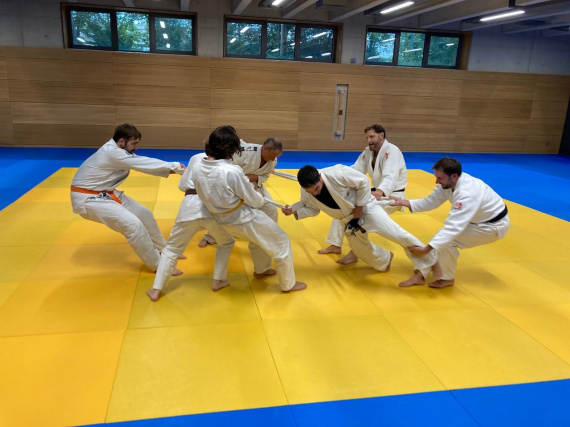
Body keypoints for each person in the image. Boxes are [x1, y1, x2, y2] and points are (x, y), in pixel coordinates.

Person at [282, 165, 440, 287]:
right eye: (311, 192)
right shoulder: (307, 192)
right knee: (359, 249)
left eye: (316, 188)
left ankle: (427, 266)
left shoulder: (337, 173)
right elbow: (312, 209)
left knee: (397, 234)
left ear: (319, 176)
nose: (315, 193)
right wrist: (294, 211)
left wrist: (359, 208)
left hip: (367, 208)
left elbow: (363, 181)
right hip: (348, 219)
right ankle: (385, 260)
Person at [192, 126, 306, 292]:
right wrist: (257, 193)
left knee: (261, 233)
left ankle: (261, 269)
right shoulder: (233, 170)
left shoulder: (197, 166)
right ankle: (289, 284)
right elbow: (255, 201)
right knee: (281, 241)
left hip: (222, 215)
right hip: (242, 215)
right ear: (232, 150)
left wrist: (254, 183)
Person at [70, 123, 186, 274]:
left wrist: (176, 170)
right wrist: (177, 167)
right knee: (133, 225)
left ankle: (164, 250)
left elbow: (142, 163)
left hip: (105, 193)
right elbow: (142, 163)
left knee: (145, 215)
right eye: (134, 143)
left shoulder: (120, 152)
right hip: (88, 198)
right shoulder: (112, 153)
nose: (136, 147)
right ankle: (158, 265)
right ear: (121, 141)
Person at [390, 157, 510, 288]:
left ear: (453, 176)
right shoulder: (449, 183)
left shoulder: (467, 193)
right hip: (477, 219)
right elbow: (431, 201)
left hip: (492, 226)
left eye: (439, 178)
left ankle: (446, 278)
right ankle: (422, 274)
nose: (437, 181)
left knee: (447, 241)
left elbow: (453, 227)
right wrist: (404, 202)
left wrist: (426, 249)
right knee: (440, 240)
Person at [146, 153, 237, 301]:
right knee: (226, 242)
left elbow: (182, 185)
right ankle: (218, 281)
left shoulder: (196, 158)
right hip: (213, 209)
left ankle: (156, 290)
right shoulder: (228, 163)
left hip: (189, 207)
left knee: (172, 248)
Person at [319, 124, 408, 266]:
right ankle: (335, 244)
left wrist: (380, 191)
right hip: (376, 192)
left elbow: (390, 176)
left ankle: (356, 253)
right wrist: (340, 180)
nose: (369, 140)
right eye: (367, 138)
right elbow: (355, 170)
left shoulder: (392, 151)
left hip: (392, 196)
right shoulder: (368, 152)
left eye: (372, 137)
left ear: (382, 135)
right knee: (343, 206)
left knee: (359, 217)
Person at [197, 137, 283, 247]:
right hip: (234, 185)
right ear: (265, 148)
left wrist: (255, 178)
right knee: (225, 210)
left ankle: (269, 237)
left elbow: (266, 176)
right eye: (273, 155)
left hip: (255, 186)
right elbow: (224, 167)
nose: (274, 159)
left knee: (271, 209)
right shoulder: (244, 152)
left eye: (276, 156)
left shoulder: (273, 160)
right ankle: (210, 236)